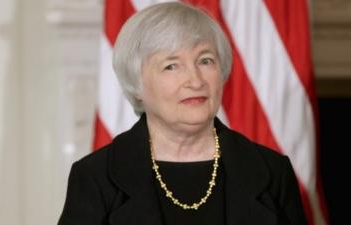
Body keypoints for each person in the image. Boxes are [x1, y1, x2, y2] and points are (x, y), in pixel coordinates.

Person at [58, 2, 307, 225]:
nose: (195, 80)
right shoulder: (96, 176)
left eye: (205, 60)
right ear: (137, 85)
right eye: (171, 66)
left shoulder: (272, 171)